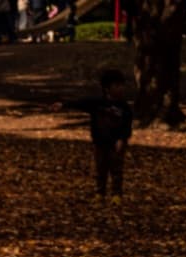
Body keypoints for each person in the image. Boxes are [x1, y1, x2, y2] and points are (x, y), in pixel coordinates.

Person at [54, 68, 134, 200]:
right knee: (100, 169)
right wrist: (63, 105)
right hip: (100, 142)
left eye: (121, 85)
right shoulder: (97, 103)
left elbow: (127, 126)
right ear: (107, 88)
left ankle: (116, 194)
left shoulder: (124, 107)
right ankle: (100, 192)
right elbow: (81, 103)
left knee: (116, 169)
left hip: (116, 144)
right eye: (117, 86)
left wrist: (122, 139)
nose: (120, 89)